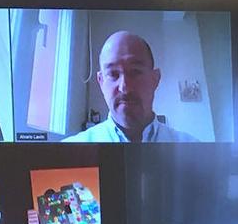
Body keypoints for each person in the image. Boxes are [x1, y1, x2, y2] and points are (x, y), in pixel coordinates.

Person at [63, 31, 200, 143]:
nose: (124, 87)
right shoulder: (69, 153)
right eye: (113, 74)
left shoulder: (193, 150)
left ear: (155, 79)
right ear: (101, 82)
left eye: (135, 72)